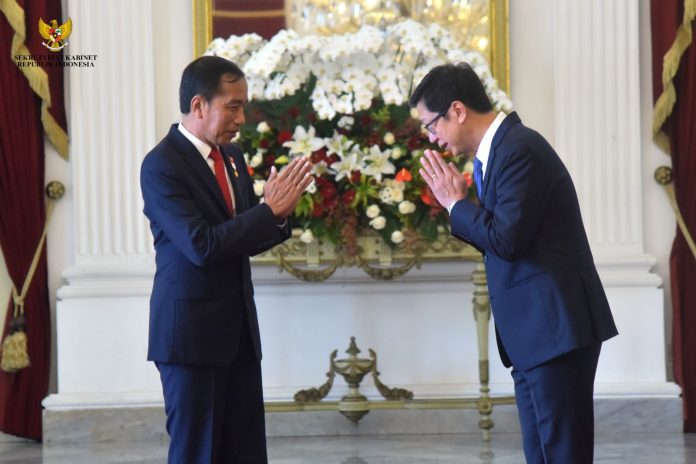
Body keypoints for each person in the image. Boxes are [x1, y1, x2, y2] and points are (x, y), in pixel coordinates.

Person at [410, 63, 618, 463]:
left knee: (561, 453)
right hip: (536, 335)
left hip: (555, 329)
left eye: (431, 125)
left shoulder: (519, 150)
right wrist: (460, 205)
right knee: (541, 453)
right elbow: (504, 239)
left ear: (457, 110)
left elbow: (506, 239)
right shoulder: (495, 154)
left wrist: (456, 204)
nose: (432, 138)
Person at [140, 56, 312, 463]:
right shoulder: (161, 164)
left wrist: (279, 214)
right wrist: (267, 211)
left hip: (239, 336)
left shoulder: (232, 157)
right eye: (233, 106)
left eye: (244, 106)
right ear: (199, 106)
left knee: (246, 451)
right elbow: (202, 245)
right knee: (198, 452)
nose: (242, 117)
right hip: (191, 339)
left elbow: (247, 235)